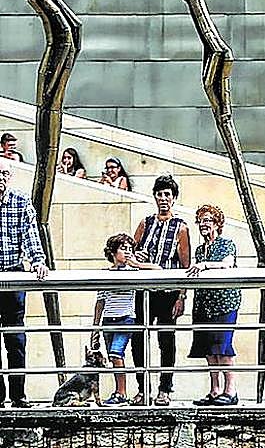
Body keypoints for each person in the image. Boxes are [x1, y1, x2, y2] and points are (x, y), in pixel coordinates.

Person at [132, 174, 191, 406]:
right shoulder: (146, 223)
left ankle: (165, 388)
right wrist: (137, 256)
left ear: (173, 198)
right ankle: (141, 387)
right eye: (160, 194)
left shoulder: (181, 228)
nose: (163, 198)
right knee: (138, 338)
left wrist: (182, 296)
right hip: (144, 290)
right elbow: (131, 251)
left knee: (166, 340)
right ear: (155, 197)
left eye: (167, 194)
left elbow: (185, 265)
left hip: (167, 291)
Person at [0, 161, 48, 408]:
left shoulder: (19, 201)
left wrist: (38, 261)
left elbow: (30, 233)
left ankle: (19, 395)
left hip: (13, 276)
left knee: (16, 340)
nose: (1, 177)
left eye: (5, 173)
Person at [90, 233, 155, 406]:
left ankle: (121, 392)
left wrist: (137, 264)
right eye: (123, 248)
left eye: (129, 249)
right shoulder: (105, 274)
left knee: (116, 353)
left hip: (126, 318)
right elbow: (100, 302)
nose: (127, 252)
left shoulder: (133, 272)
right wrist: (95, 328)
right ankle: (119, 391)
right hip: (108, 320)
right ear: (112, 252)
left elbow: (159, 270)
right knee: (113, 357)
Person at [187, 204, 240, 406]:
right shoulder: (201, 249)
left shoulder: (226, 244)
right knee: (209, 349)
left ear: (217, 223)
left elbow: (227, 264)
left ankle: (231, 390)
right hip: (204, 303)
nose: (203, 224)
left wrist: (205, 265)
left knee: (223, 346)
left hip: (224, 302)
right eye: (201, 221)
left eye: (208, 220)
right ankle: (215, 390)